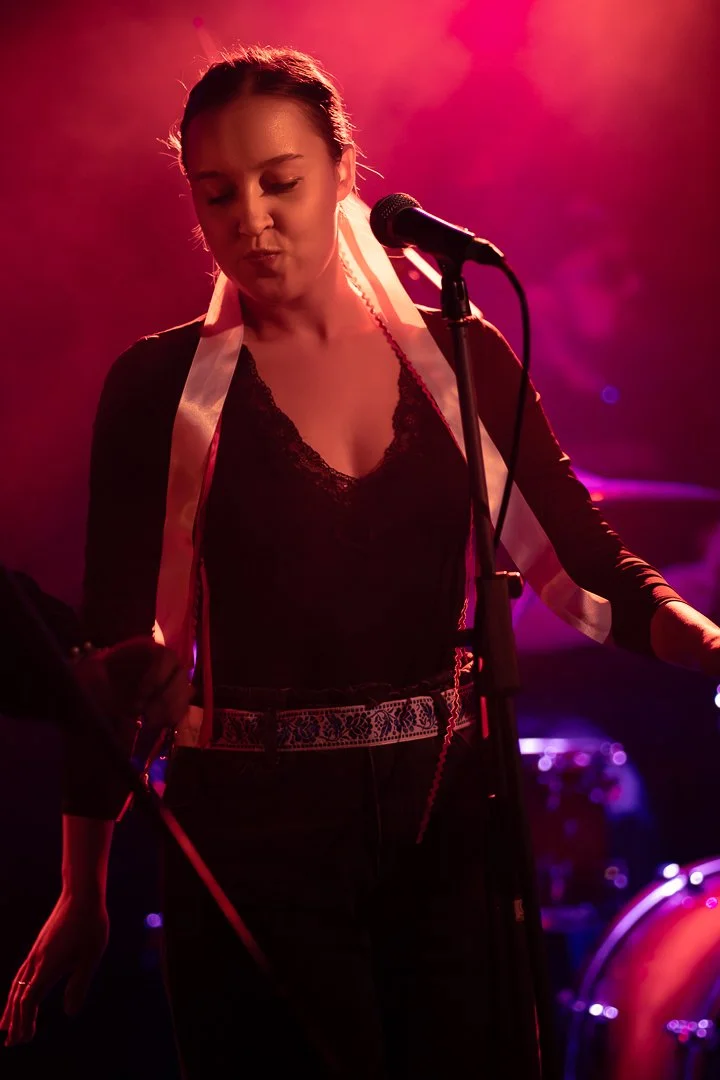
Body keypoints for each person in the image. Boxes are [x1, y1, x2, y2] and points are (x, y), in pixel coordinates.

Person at [2, 45, 719, 1079]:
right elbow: (111, 658)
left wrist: (709, 647)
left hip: (451, 829)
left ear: (344, 175)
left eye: (280, 182)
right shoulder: (157, 387)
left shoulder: (462, 354)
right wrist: (84, 884)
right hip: (252, 843)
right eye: (217, 194)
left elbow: (591, 562)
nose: (250, 217)